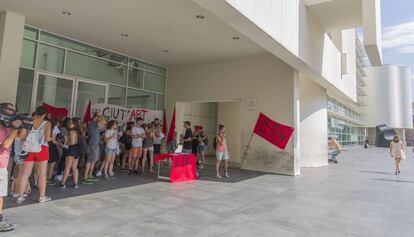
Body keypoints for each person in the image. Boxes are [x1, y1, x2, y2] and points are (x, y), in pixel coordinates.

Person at [17, 106, 52, 204]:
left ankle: (20, 196)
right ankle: (42, 197)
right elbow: (47, 138)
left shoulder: (29, 121)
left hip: (29, 148)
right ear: (45, 114)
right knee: (42, 174)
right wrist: (52, 138)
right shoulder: (47, 123)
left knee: (25, 173)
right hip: (42, 148)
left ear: (36, 112)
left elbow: (22, 136)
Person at [0, 103, 21, 231]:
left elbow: (19, 137)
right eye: (9, 110)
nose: (12, 112)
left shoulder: (6, 126)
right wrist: (15, 129)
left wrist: (21, 126)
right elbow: (6, 144)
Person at [81, 113, 103, 184]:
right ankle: (85, 177)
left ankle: (90, 175)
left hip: (96, 144)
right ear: (96, 117)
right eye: (99, 117)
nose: (101, 118)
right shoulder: (92, 123)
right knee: (89, 160)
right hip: (92, 145)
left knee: (93, 160)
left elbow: (103, 125)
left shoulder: (96, 124)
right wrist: (100, 118)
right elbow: (103, 122)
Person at [59, 119, 79, 188]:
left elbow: (72, 142)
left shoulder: (72, 131)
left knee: (67, 168)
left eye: (72, 123)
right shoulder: (77, 131)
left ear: (75, 124)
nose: (70, 124)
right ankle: (76, 183)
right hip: (76, 150)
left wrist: (66, 143)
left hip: (71, 150)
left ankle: (63, 183)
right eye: (69, 123)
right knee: (74, 168)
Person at [46, 118, 61, 185]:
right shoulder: (55, 128)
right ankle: (48, 179)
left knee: (46, 163)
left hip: (46, 146)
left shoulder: (47, 127)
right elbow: (53, 140)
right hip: (52, 147)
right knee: (52, 164)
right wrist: (60, 144)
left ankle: (45, 178)